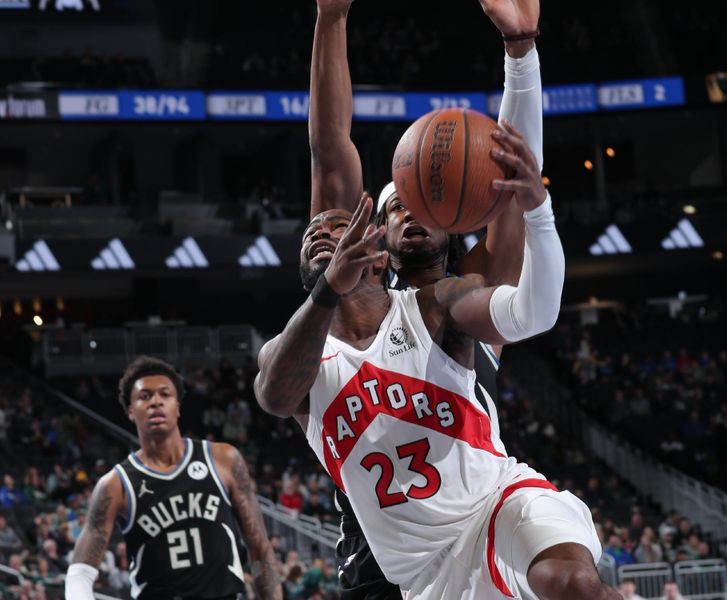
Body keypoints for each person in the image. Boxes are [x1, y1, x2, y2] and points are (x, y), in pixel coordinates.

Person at [257, 121, 616, 599]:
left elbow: (535, 313)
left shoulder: (436, 304)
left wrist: (539, 211)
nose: (323, 232)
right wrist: (328, 291)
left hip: (494, 504)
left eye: (339, 228)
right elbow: (275, 398)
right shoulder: (297, 353)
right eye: (312, 233)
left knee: (574, 583)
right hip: (421, 571)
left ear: (379, 257)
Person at [308, 0, 544, 595]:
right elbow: (331, 149)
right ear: (375, 235)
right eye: (394, 208)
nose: (408, 214)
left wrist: (521, 52)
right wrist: (331, 17)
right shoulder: (354, 306)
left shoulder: (472, 294)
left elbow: (516, 183)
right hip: (376, 561)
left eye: (421, 204)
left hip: (469, 542)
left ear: (454, 218)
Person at [65, 356, 282, 599]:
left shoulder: (223, 459)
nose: (155, 402)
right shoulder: (115, 484)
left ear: (177, 406)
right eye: (144, 396)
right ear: (130, 411)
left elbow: (260, 549)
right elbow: (79, 575)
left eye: (164, 394)